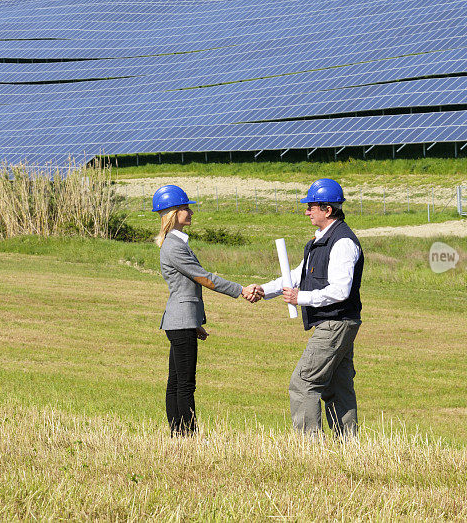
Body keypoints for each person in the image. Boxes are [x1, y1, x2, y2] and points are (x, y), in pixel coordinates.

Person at [250, 178, 363, 437]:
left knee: (303, 383)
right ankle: (349, 446)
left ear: (328, 209)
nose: (306, 211)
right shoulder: (318, 242)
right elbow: (295, 276)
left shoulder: (342, 242)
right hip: (337, 323)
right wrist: (264, 291)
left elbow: (340, 290)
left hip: (335, 323)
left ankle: (309, 447)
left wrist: (300, 298)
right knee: (338, 387)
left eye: (311, 206)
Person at [153, 184, 258, 436]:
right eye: (185, 208)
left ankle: (179, 434)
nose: (190, 212)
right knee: (185, 384)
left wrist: (195, 321)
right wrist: (240, 290)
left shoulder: (174, 243)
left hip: (181, 321)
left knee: (176, 382)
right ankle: (187, 435)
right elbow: (205, 278)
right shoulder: (174, 246)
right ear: (172, 213)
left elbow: (185, 288)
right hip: (180, 321)